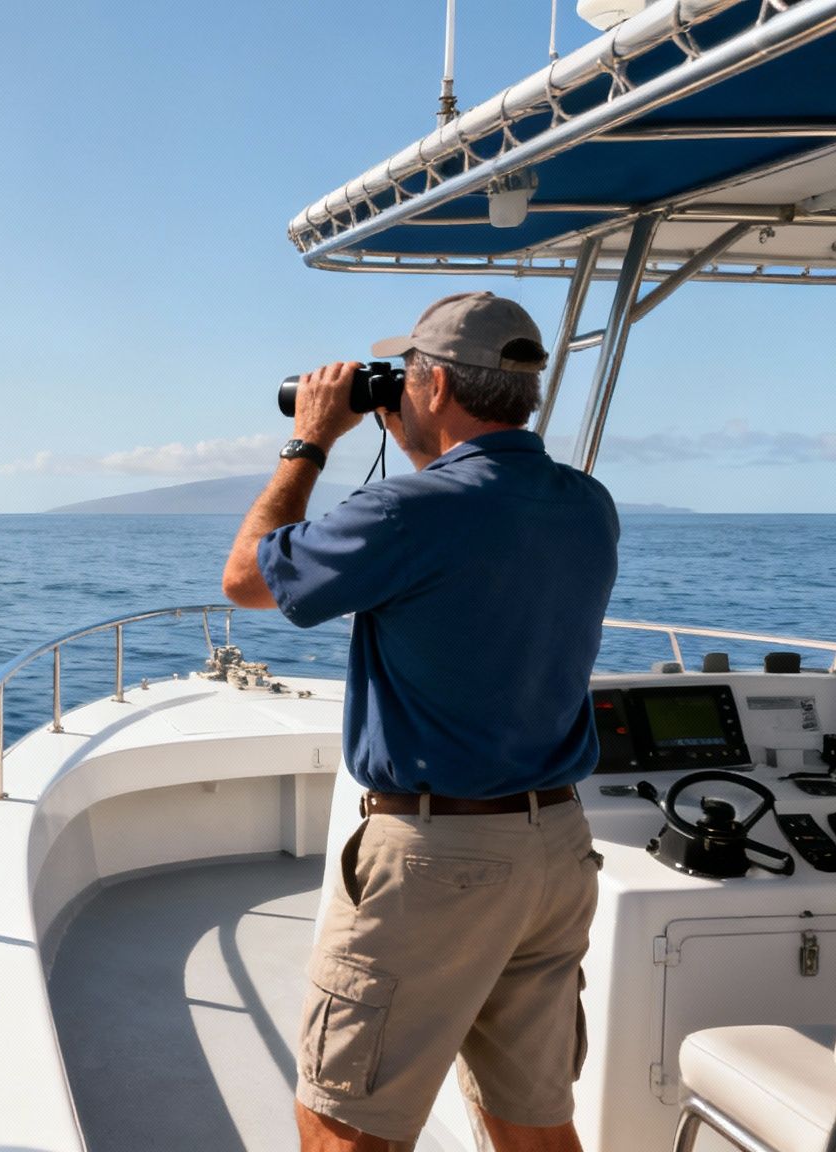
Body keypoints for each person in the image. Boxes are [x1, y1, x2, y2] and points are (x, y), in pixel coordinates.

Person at [220, 291, 620, 1152]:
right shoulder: (587, 505)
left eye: (407, 374)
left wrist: (311, 440)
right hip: (553, 850)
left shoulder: (409, 515)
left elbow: (248, 579)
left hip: (440, 863)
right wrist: (419, 445)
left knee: (344, 1122)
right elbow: (474, 526)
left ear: (434, 386)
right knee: (534, 1120)